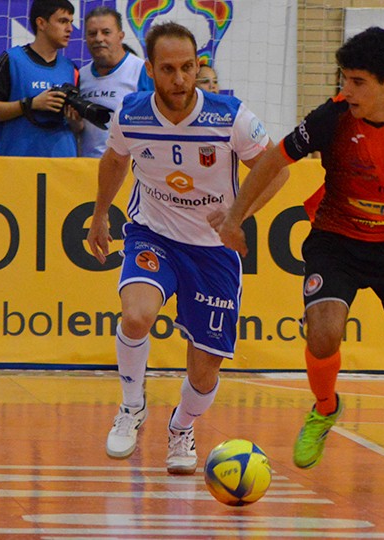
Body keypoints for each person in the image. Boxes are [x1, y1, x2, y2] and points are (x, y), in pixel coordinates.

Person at [211, 27, 384, 491]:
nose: (344, 90)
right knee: (324, 333)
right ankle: (325, 407)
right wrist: (236, 216)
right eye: (343, 79)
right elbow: (274, 160)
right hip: (337, 242)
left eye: (356, 82)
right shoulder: (331, 117)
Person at [86, 22, 287, 474]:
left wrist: (237, 217)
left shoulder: (229, 116)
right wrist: (100, 215)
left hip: (213, 249)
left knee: (204, 369)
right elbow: (115, 159)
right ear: (151, 71)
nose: (180, 79)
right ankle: (131, 406)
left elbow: (276, 171)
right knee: (136, 314)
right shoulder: (131, 114)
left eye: (188, 67)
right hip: (152, 233)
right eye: (169, 69)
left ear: (199, 66)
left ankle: (181, 427)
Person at [0, 0, 80, 157]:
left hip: (62, 163)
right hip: (19, 164)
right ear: (41, 23)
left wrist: (75, 119)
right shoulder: (12, 59)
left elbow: (77, 127)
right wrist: (32, 104)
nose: (70, 29)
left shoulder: (70, 68)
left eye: (71, 22)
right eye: (62, 21)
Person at [78, 6, 146, 158]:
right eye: (92, 33)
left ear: (120, 36)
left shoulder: (141, 70)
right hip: (88, 168)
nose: (98, 38)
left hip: (129, 167)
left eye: (106, 32)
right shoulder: (81, 75)